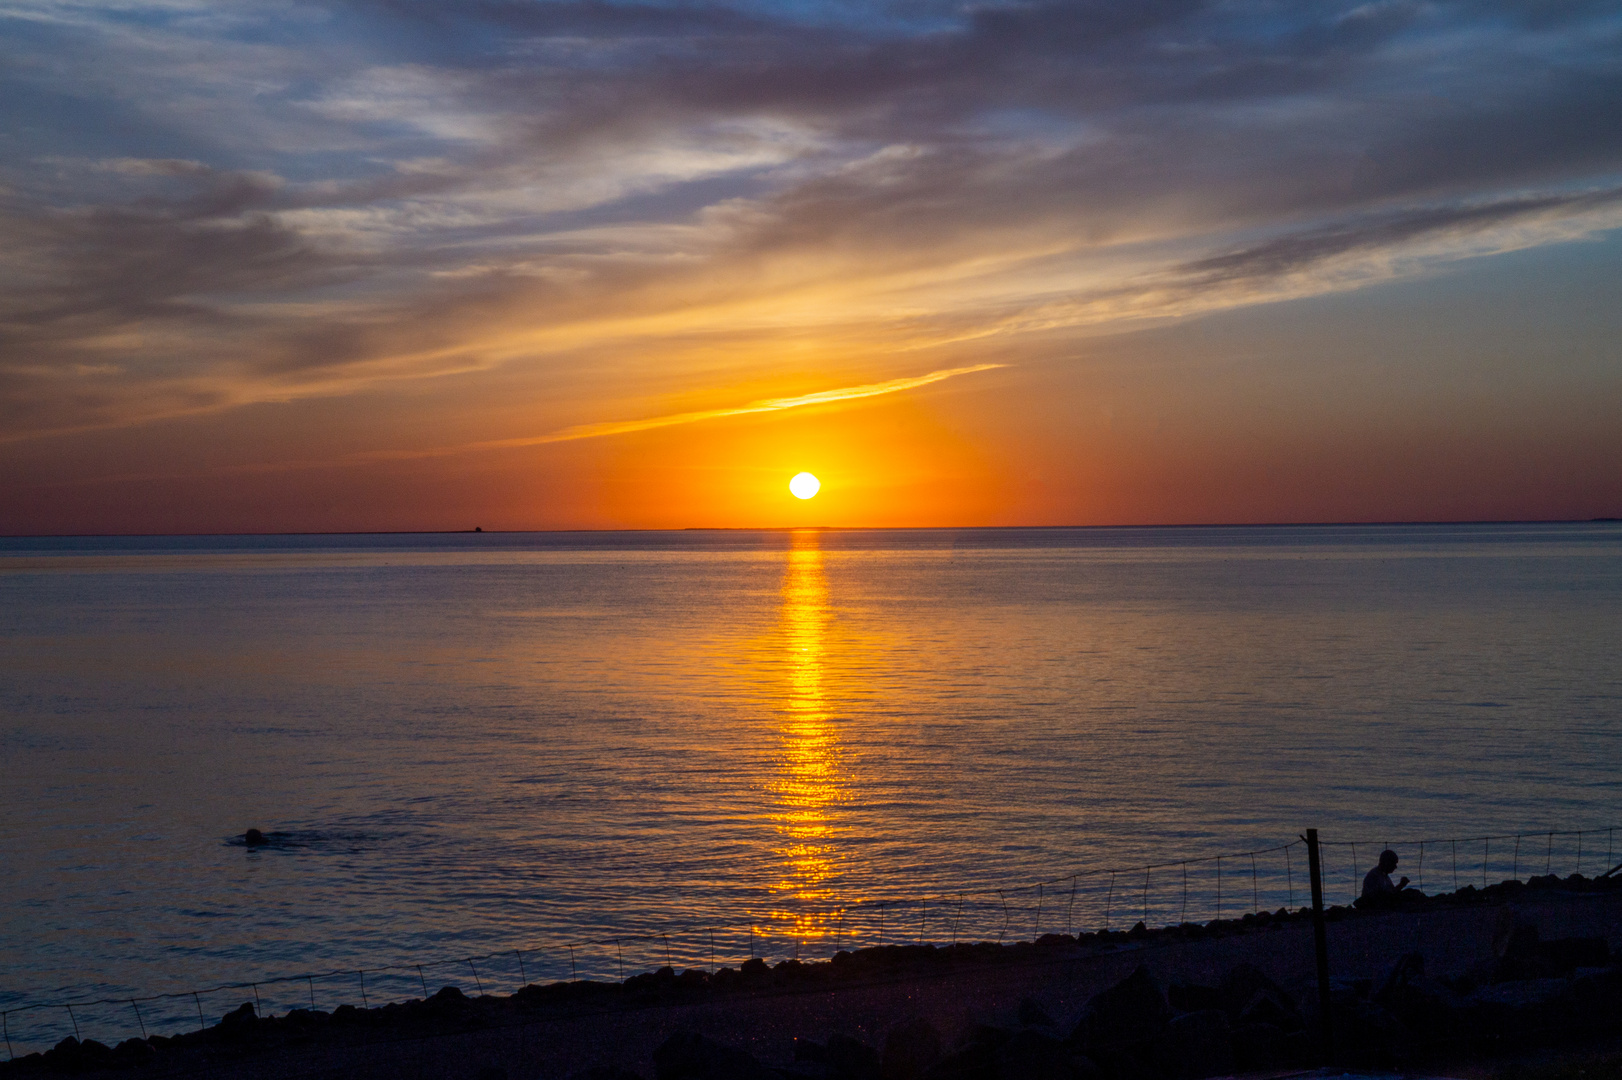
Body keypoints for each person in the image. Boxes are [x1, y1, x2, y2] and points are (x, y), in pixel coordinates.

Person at [1358, 849, 1422, 908]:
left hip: (1384, 904)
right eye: (1394, 864)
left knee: (1411, 892)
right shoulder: (1374, 877)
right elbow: (1379, 898)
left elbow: (1391, 893)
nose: (1395, 867)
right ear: (1387, 863)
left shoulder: (1384, 875)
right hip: (1376, 908)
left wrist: (1401, 885)